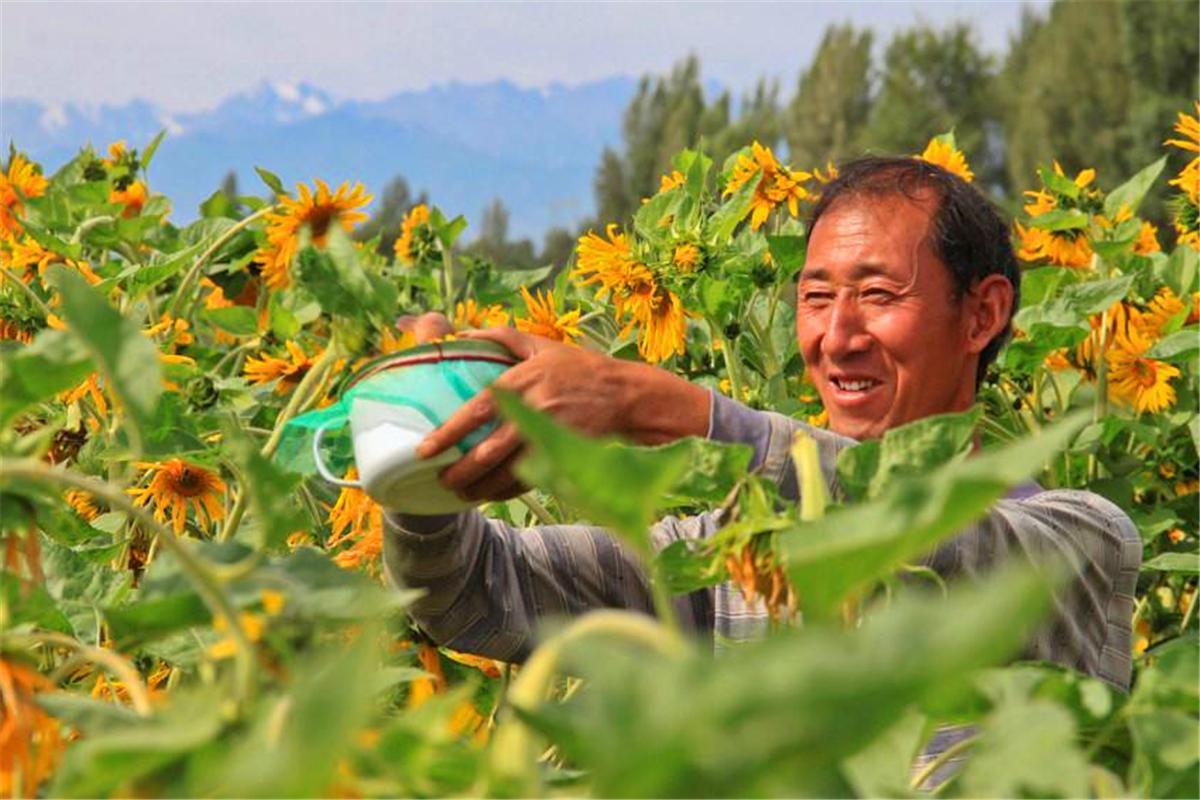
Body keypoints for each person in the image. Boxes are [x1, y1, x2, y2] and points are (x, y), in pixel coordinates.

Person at [382, 156, 1140, 692]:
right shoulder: (730, 561)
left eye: (877, 294)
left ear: (983, 314)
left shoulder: (1075, 544)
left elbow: (916, 531)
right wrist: (423, 471)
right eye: (815, 298)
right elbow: (480, 594)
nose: (837, 336)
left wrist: (647, 405)